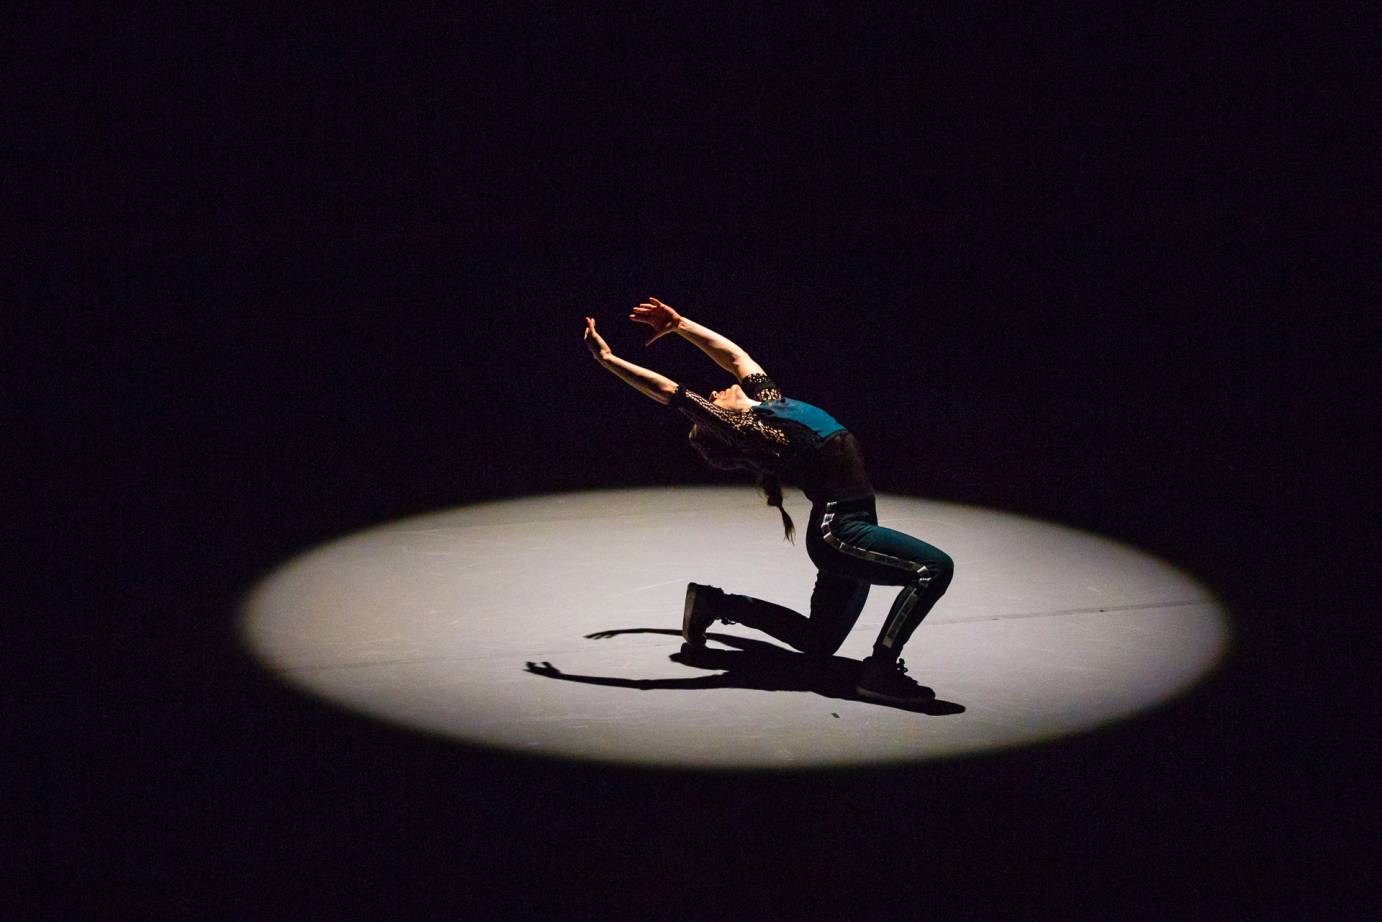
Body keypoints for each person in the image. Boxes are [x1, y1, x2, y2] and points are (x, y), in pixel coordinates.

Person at [582, 297, 954, 706]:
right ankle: (880, 670)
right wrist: (608, 360)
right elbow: (671, 391)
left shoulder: (769, 400)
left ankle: (715, 604)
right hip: (840, 530)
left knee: (819, 641)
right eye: (712, 401)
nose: (714, 390)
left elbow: (735, 356)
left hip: (850, 526)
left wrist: (679, 325)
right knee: (933, 569)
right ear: (721, 425)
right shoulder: (751, 431)